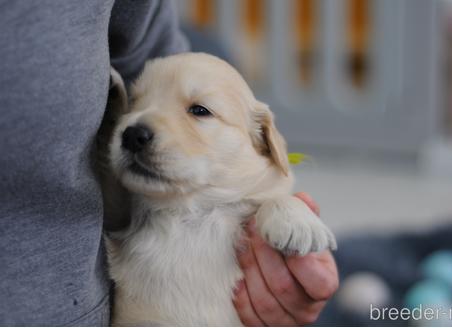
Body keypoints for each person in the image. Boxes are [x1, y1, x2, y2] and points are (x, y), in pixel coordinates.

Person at [0, 0, 338, 325]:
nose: (138, 128)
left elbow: (160, 53)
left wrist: (286, 214)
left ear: (265, 141)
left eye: (199, 111)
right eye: (137, 102)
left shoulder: (267, 207)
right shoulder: (127, 214)